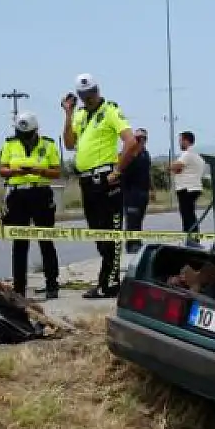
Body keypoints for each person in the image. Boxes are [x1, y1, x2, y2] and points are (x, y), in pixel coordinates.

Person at [61, 75, 141, 299]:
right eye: (83, 95)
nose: (88, 98)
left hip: (106, 178)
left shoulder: (110, 110)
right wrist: (68, 114)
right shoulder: (80, 115)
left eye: (91, 93)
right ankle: (106, 281)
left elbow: (131, 141)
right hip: (87, 181)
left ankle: (110, 283)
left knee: (111, 232)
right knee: (98, 232)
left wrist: (118, 170)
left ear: (98, 91)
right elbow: (69, 144)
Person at [0, 111, 62, 300]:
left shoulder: (48, 144)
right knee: (19, 243)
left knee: (46, 241)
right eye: (21, 135)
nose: (25, 139)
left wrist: (39, 170)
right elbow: (2, 169)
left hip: (40, 193)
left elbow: (56, 171)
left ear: (36, 131)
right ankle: (19, 289)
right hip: (18, 194)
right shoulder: (10, 144)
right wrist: (14, 171)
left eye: (28, 135)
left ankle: (52, 284)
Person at [122, 126, 153, 255]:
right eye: (138, 138)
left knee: (139, 218)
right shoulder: (129, 153)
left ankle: (137, 242)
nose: (140, 140)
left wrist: (151, 189)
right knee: (132, 219)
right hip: (131, 192)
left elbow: (147, 173)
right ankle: (131, 244)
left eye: (143, 138)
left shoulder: (146, 154)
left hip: (143, 192)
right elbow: (123, 171)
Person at [172, 130, 207, 242]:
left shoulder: (188, 154)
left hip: (186, 188)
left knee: (187, 216)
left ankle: (191, 239)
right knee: (190, 214)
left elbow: (176, 166)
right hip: (195, 187)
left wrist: (171, 166)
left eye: (180, 140)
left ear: (186, 141)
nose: (179, 143)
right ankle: (192, 238)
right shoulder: (198, 155)